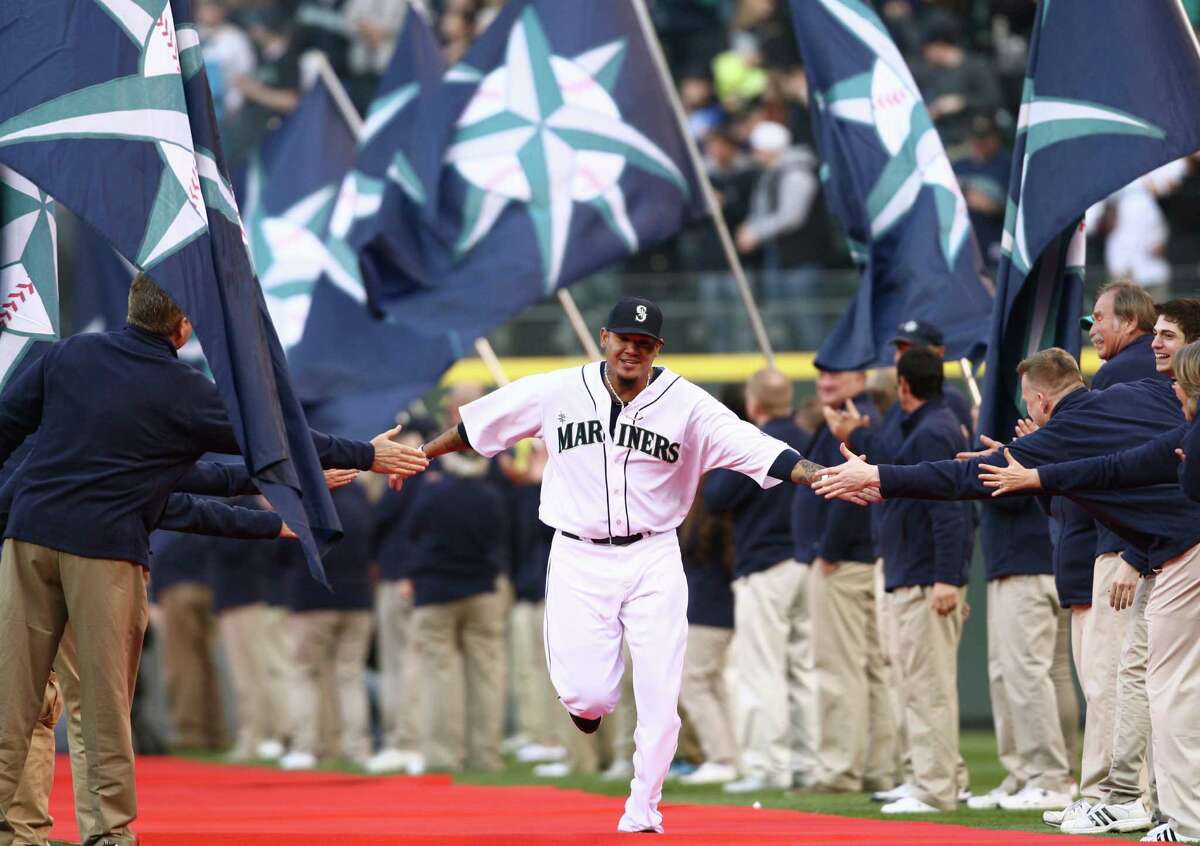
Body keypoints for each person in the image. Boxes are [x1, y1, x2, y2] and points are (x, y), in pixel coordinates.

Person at [0, 273, 426, 845]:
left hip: (26, 542)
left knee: (14, 702)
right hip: (104, 555)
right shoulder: (185, 391)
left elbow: (9, 429)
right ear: (184, 327)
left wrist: (279, 505)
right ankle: (108, 837)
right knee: (101, 711)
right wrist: (365, 455)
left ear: (133, 309)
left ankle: (13, 832)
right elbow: (271, 437)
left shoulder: (70, 356)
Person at [401, 297, 838, 833]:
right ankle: (586, 707)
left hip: (653, 553)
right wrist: (421, 454)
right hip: (577, 553)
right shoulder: (557, 389)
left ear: (658, 349)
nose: (633, 349)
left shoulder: (688, 403)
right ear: (605, 337)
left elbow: (758, 448)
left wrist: (822, 475)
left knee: (659, 691)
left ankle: (644, 806)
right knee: (590, 694)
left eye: (645, 342)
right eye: (625, 338)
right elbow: (479, 428)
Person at [871, 348, 973, 814]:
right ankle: (931, 780)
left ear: (904, 385)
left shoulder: (933, 430)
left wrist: (947, 578)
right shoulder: (925, 425)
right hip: (911, 572)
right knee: (917, 685)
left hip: (925, 576)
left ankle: (936, 789)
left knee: (928, 687)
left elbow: (950, 508)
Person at [702, 368, 812, 793]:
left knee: (760, 668)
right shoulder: (807, 436)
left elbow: (715, 498)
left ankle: (768, 765)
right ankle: (807, 762)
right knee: (803, 669)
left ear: (754, 405)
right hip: (804, 562)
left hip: (765, 566)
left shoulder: (757, 442)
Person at [792, 366, 890, 795]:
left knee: (840, 669)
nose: (826, 382)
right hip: (868, 560)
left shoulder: (856, 422)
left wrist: (828, 551)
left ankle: (839, 771)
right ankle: (878, 769)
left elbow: (853, 494)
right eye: (822, 375)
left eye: (837, 375)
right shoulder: (860, 416)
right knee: (873, 670)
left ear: (860, 377)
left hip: (846, 562)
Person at [407, 384, 512, 773]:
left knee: (441, 677)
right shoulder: (496, 478)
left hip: (439, 588)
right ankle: (485, 756)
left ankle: (442, 756)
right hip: (483, 584)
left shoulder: (432, 482)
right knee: (486, 675)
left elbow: (411, 526)